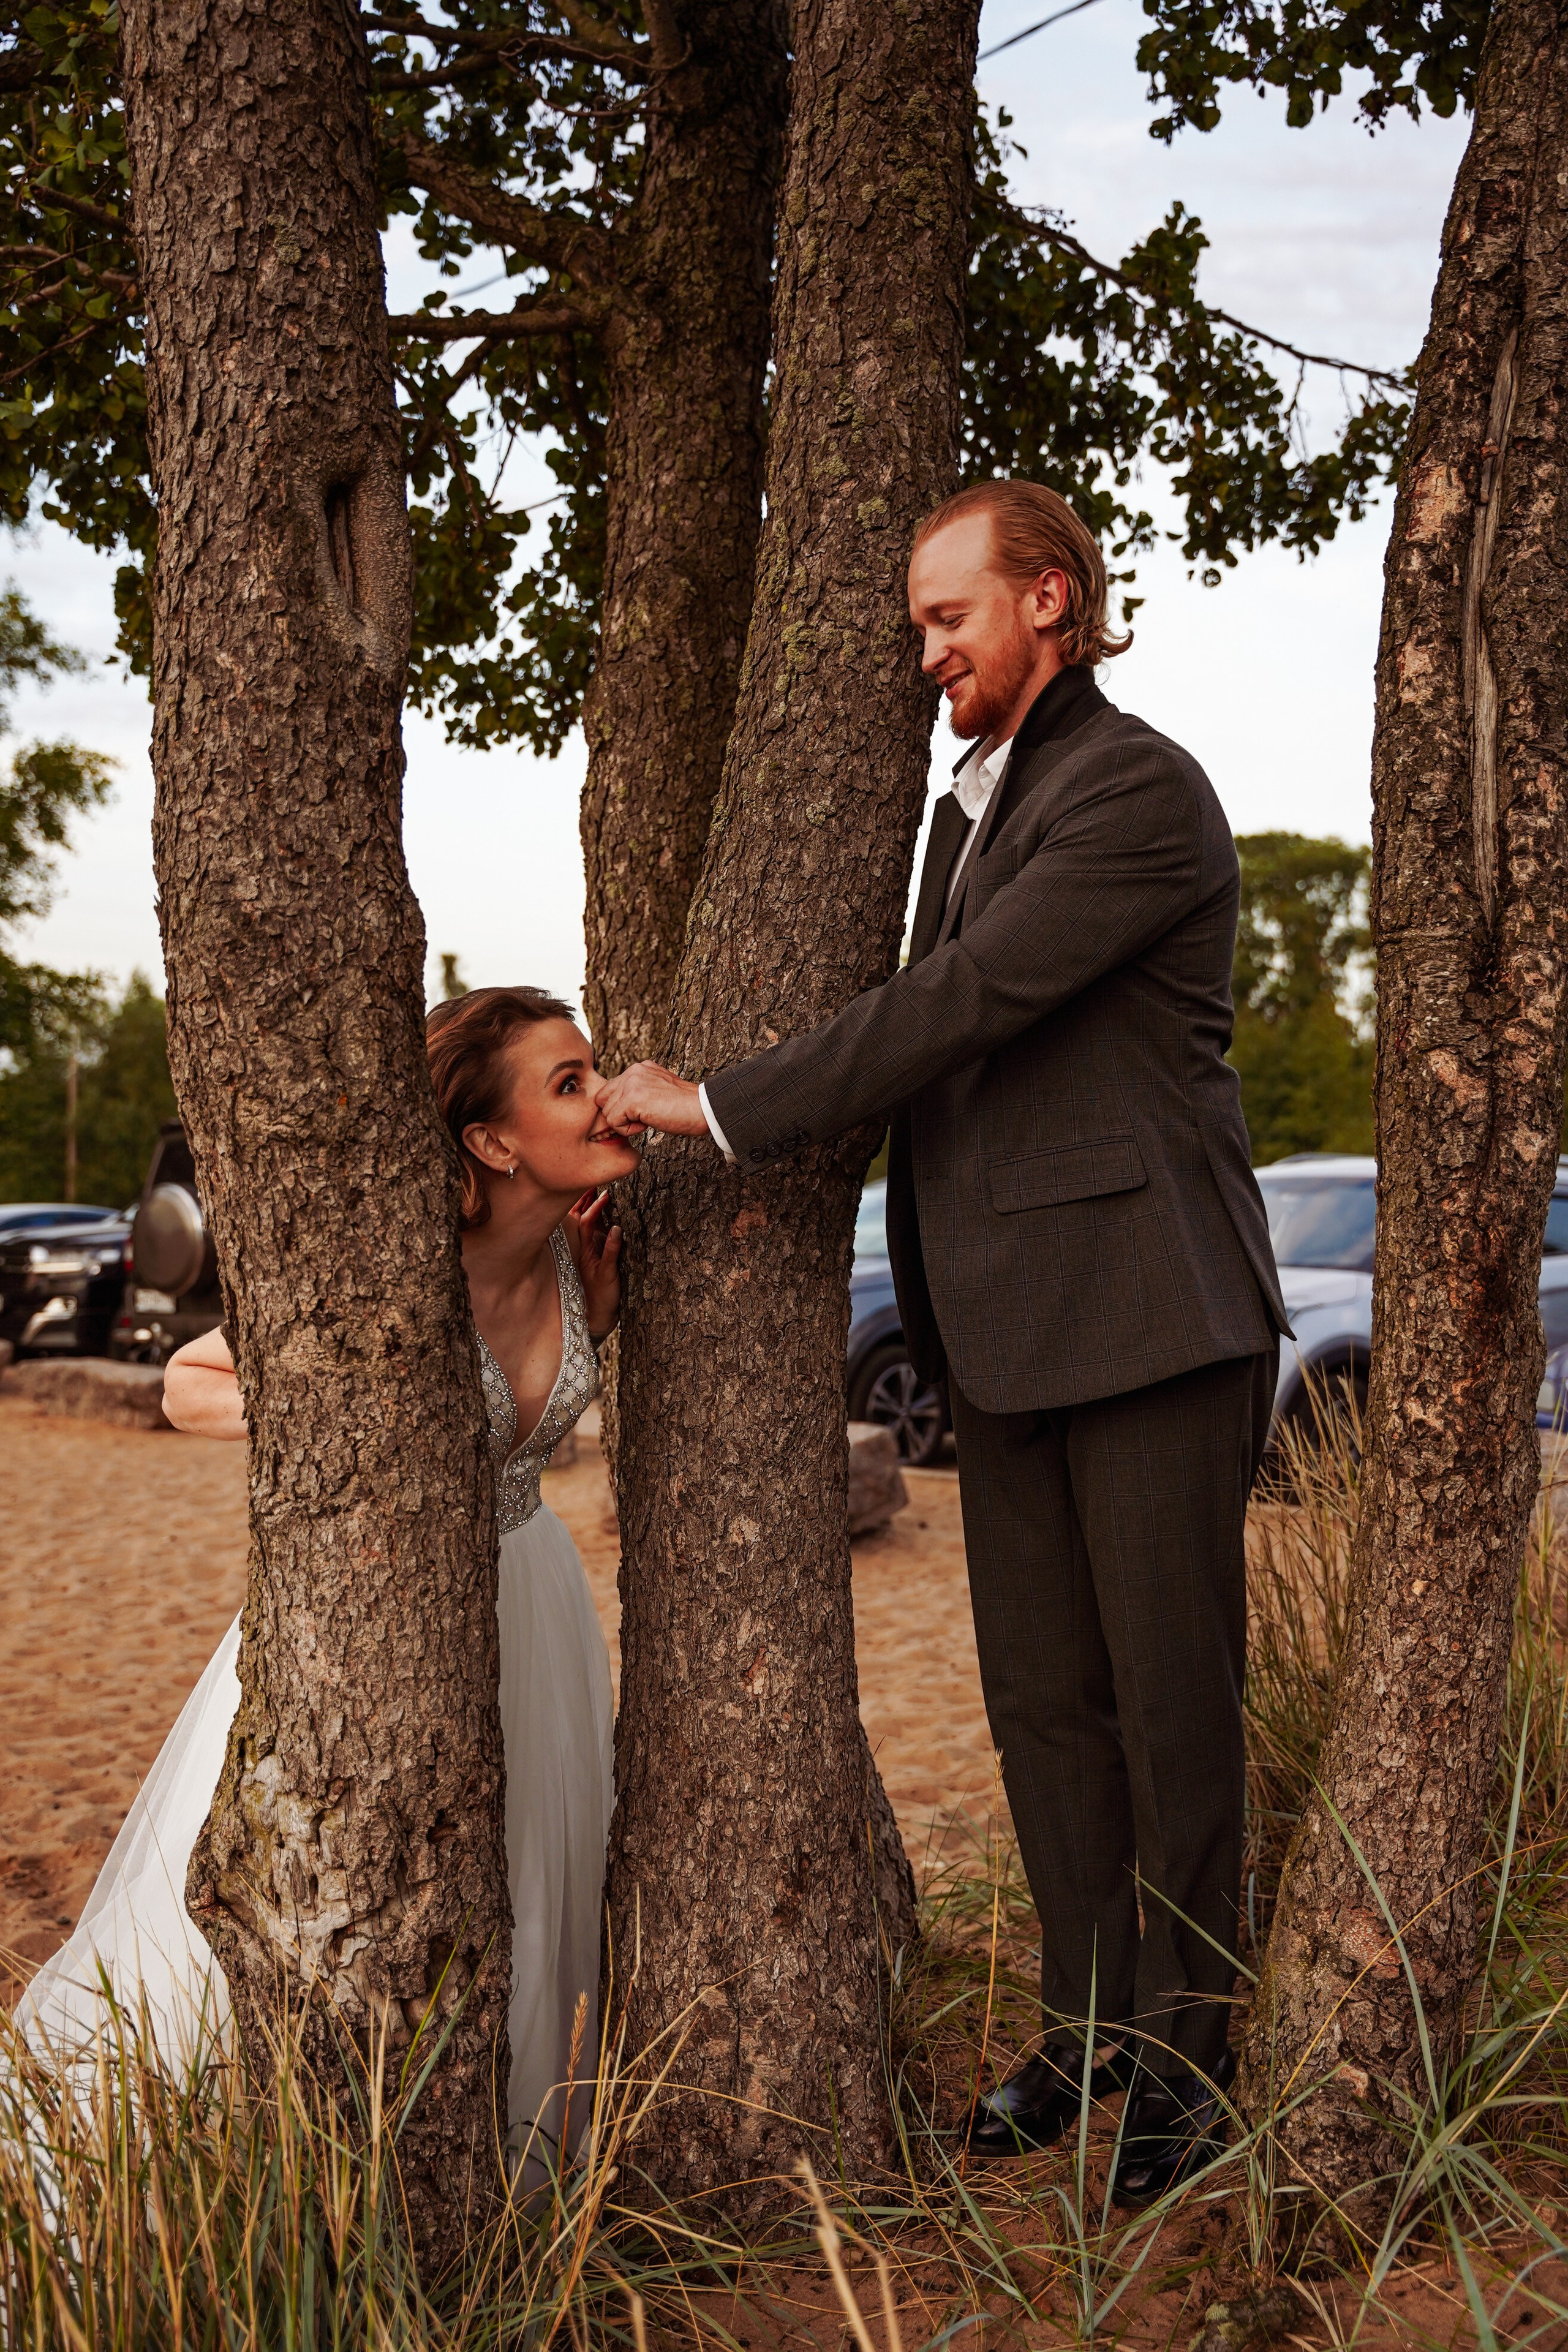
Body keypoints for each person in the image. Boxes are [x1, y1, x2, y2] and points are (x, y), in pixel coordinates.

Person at [595, 480, 1289, 2204]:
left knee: (1172, 1702)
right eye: (919, 625)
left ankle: (1189, 2062)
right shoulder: (969, 809)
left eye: (949, 619)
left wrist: (720, 1106)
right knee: (1045, 1705)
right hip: (1007, 1330)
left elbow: (957, 1010)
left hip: (1148, 1314)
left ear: (1050, 601)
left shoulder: (1134, 789)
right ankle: (1091, 2027)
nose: (927, 654)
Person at [17, 985, 636, 2177]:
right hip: (379, 1617)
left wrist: (595, 1327)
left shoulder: (579, 1256)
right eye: (568, 1082)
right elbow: (187, 1384)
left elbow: (543, 1408)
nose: (601, 1094)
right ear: (490, 1141)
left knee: (521, 1892)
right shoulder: (398, 1275)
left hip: (538, 1604)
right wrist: (366, 1422)